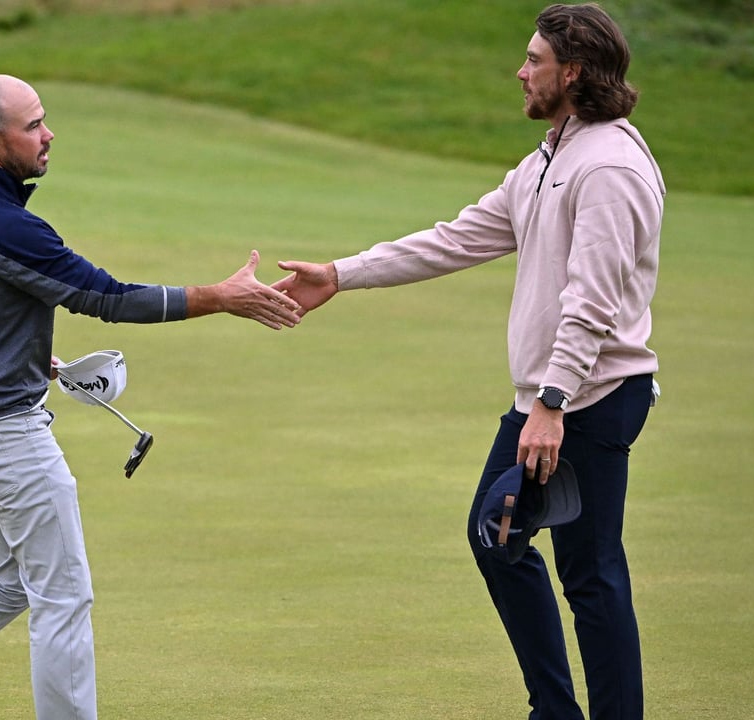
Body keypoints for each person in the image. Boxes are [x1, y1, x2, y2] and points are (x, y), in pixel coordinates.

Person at [0, 73, 302, 720]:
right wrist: (220, 297)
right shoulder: (6, 226)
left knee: (12, 581)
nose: (49, 135)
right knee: (63, 598)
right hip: (8, 442)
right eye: (33, 126)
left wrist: (5, 341)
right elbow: (106, 297)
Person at [273, 4, 664, 718]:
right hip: (549, 397)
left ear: (571, 72)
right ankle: (554, 708)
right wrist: (341, 273)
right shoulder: (553, 154)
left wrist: (551, 404)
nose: (521, 72)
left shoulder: (608, 166)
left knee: (590, 574)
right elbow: (456, 238)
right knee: (499, 539)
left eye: (534, 60)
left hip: (590, 396)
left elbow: (592, 302)